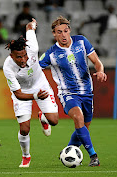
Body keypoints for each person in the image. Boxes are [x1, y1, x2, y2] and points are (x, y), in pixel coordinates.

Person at [39, 16, 107, 167]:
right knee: (78, 117)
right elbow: (36, 70)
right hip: (68, 93)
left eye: (65, 31)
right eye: (59, 32)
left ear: (69, 30)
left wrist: (100, 71)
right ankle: (93, 156)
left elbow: (96, 62)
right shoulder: (51, 53)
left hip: (87, 92)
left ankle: (69, 152)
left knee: (83, 128)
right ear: (54, 34)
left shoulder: (81, 41)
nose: (63, 35)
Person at [3, 18, 58, 168]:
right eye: (18, 57)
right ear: (11, 56)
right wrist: (34, 97)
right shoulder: (8, 68)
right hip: (23, 93)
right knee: (24, 129)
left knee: (54, 120)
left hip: (40, 85)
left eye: (24, 55)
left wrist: (32, 24)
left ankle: (43, 118)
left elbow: (29, 27)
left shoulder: (32, 48)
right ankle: (26, 156)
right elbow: (18, 94)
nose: (22, 59)